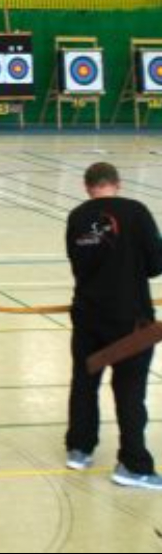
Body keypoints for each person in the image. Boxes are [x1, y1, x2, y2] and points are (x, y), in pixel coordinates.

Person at [65, 162, 162, 489]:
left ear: (87, 186)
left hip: (88, 315)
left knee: (84, 381)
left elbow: (78, 263)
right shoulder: (137, 211)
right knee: (130, 391)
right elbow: (156, 265)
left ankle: (79, 448)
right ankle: (133, 465)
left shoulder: (77, 217)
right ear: (116, 184)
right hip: (131, 321)